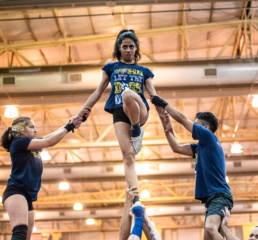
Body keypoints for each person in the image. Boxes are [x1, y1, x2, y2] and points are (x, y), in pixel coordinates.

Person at [71, 29, 159, 202]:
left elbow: (154, 96)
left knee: (127, 94)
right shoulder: (111, 68)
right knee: (128, 156)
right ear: (118, 49)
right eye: (124, 46)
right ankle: (135, 198)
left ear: (136, 49)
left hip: (140, 110)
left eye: (131, 46)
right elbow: (97, 92)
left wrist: (165, 117)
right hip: (119, 112)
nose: (128, 50)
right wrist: (81, 112)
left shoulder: (144, 71)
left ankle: (136, 130)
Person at [151, 95, 233, 240]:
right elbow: (176, 148)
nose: (192, 125)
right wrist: (166, 125)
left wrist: (163, 105)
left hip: (219, 195)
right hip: (212, 199)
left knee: (210, 228)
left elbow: (183, 119)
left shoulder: (209, 137)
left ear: (206, 128)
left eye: (196, 124)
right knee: (208, 235)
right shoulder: (200, 147)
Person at [0, 112, 87, 240]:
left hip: (27, 195)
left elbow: (49, 136)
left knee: (26, 237)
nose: (36, 130)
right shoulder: (19, 143)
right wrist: (69, 126)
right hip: (16, 191)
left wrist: (69, 124)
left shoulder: (31, 145)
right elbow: (50, 141)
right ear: (20, 130)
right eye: (31, 127)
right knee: (20, 232)